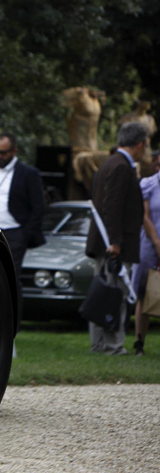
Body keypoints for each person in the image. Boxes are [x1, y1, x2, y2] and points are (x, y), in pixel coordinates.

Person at [85, 122, 148, 354]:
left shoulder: (110, 163)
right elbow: (112, 207)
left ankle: (100, 344)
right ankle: (111, 345)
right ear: (140, 144)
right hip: (113, 245)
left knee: (103, 293)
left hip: (105, 242)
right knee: (114, 295)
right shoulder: (121, 166)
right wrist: (116, 242)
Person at [0, 133, 46, 320]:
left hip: (15, 233)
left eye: (3, 153)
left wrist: (25, 234)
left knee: (10, 280)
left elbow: (39, 207)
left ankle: (11, 325)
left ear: (14, 151)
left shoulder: (28, 174)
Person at [132, 152, 160, 356]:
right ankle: (139, 342)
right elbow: (144, 215)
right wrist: (157, 242)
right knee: (144, 292)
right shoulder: (149, 184)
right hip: (150, 245)